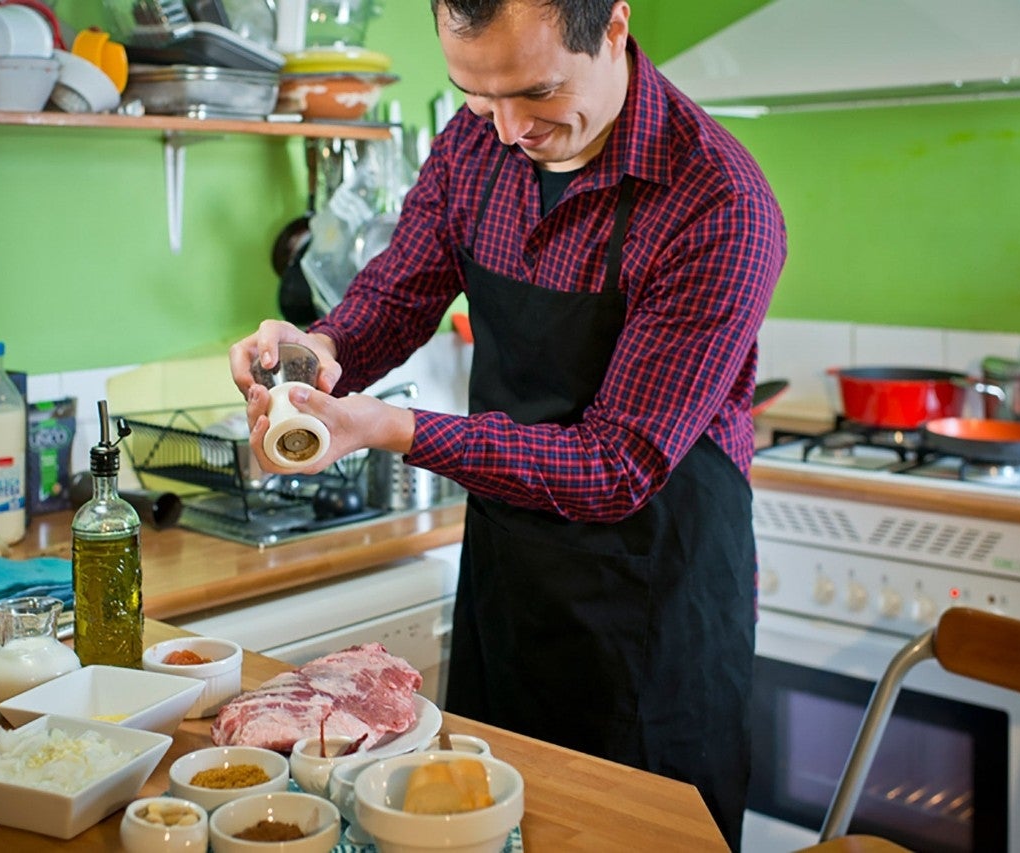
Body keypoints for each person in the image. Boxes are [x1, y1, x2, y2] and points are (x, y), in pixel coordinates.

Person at [230, 0, 786, 847]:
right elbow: (400, 290)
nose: (509, 129)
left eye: (536, 93)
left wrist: (393, 426)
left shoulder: (718, 202)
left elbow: (615, 465)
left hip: (654, 601)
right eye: (479, 96)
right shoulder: (473, 140)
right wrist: (311, 353)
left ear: (613, 28)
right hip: (512, 577)